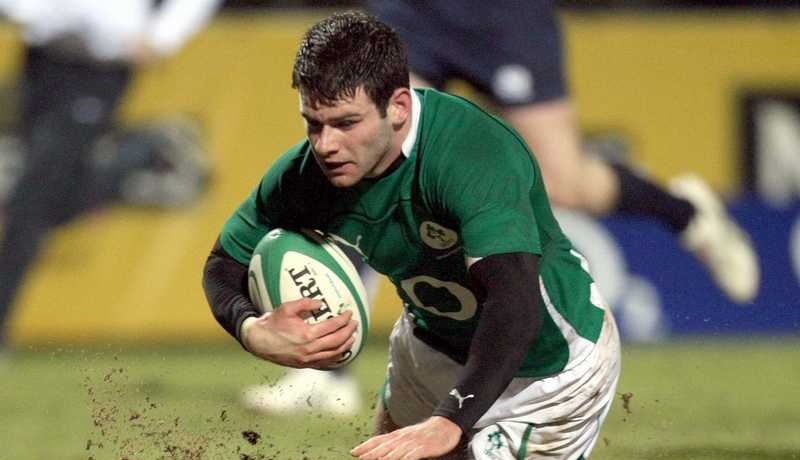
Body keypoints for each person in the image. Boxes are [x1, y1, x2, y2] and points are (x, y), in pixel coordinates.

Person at [203, 12, 692, 460]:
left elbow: (516, 307)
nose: (325, 144)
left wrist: (451, 420)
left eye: (345, 122)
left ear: (399, 106)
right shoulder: (307, 174)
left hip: (546, 367)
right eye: (313, 123)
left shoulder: (471, 154)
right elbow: (223, 263)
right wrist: (251, 328)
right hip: (432, 344)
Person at [245, 0, 761, 416]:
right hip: (414, 14)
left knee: (566, 183)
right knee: (375, 156)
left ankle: (686, 215)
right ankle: (325, 371)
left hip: (501, 16)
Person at [0, 0, 222, 354]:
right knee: (35, 201)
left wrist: (162, 37)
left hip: (102, 62)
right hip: (41, 56)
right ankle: (141, 157)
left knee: (29, 201)